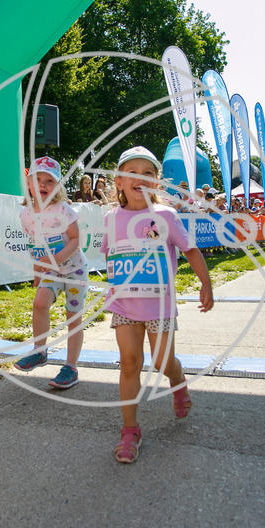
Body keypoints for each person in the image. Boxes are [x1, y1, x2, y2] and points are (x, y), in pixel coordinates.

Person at [101, 147, 214, 463]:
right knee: (129, 363)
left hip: (159, 307)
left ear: (157, 181)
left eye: (148, 173)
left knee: (163, 361)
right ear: (119, 181)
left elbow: (190, 250)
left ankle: (177, 383)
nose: (140, 177)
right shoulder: (111, 218)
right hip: (124, 307)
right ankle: (130, 430)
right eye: (132, 172)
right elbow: (110, 254)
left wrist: (206, 284)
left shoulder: (166, 216)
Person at [14, 156, 88, 389]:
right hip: (51, 272)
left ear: (57, 186)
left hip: (75, 270)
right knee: (39, 303)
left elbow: (76, 239)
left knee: (73, 317)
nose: (43, 185)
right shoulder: (26, 214)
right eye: (38, 180)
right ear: (28, 184)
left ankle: (71, 367)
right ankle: (40, 351)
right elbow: (35, 244)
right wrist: (37, 273)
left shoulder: (63, 210)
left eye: (49, 181)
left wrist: (56, 260)